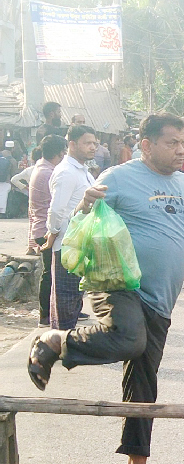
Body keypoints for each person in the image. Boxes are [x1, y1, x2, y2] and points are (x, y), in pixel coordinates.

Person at [27, 112, 184, 464]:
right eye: (171, 142)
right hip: (118, 286)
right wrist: (83, 206)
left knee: (143, 382)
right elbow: (80, 227)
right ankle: (57, 340)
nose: (180, 149)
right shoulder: (119, 177)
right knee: (128, 339)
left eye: (183, 141)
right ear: (146, 145)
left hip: (161, 300)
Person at [42, 124, 98, 330]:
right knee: (65, 299)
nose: (92, 147)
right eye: (87, 143)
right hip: (67, 244)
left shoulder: (83, 171)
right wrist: (53, 232)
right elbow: (56, 210)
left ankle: (66, 343)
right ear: (72, 144)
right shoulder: (66, 172)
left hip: (81, 243)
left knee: (75, 298)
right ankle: (58, 344)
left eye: (94, 143)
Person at [28, 136, 66, 327]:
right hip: (46, 229)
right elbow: (57, 205)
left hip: (41, 227)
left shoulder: (42, 169)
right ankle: (46, 315)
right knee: (50, 274)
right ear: (60, 153)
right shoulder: (48, 173)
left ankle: (55, 311)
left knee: (52, 273)